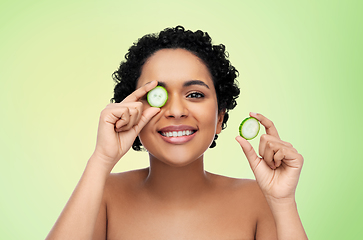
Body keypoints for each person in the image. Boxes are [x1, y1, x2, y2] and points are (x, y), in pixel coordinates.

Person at [46, 26, 308, 240]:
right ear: (131, 113)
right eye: (156, 96)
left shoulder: (259, 200)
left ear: (220, 118)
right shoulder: (102, 194)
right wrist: (101, 159)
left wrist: (283, 202)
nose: (175, 111)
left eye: (195, 94)